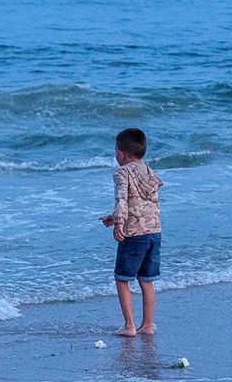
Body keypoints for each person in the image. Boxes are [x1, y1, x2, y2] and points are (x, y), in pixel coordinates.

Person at [99, 128, 163, 337]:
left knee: (122, 278)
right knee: (147, 280)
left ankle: (129, 325)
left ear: (121, 153)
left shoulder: (122, 172)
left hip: (134, 234)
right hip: (154, 232)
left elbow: (121, 200)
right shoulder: (148, 172)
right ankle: (147, 325)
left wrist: (119, 223)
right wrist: (114, 217)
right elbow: (144, 203)